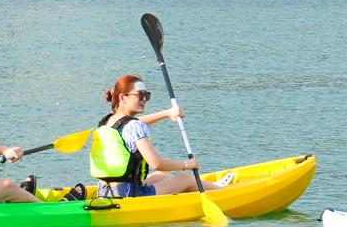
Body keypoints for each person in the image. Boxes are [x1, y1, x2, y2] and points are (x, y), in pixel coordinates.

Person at [74, 73, 232, 199]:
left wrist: (166, 113)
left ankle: (207, 187)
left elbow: (133, 124)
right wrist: (188, 164)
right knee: (184, 177)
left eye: (146, 95)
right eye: (140, 95)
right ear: (123, 97)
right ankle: (223, 193)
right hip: (129, 195)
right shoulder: (133, 126)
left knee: (160, 176)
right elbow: (156, 163)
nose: (144, 99)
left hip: (106, 191)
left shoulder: (107, 121)